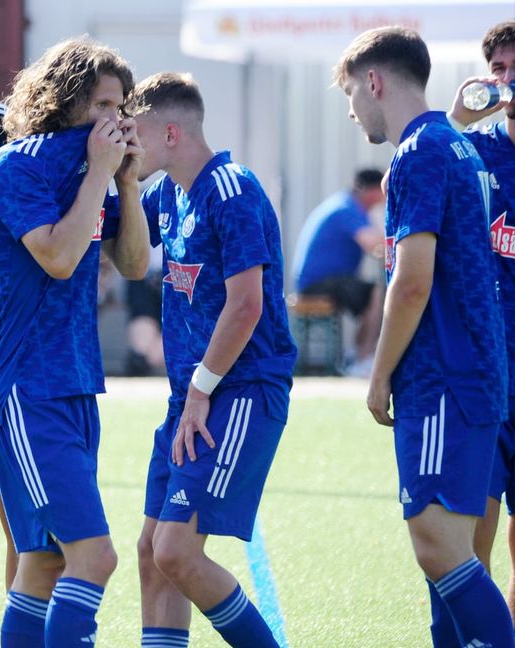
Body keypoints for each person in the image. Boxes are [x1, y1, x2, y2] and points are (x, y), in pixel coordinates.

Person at [337, 26, 514, 647]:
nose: (353, 110)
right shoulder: (460, 145)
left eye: (351, 94)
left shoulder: (419, 153)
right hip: (475, 369)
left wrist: (378, 373)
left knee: (438, 547)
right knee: (452, 551)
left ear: (375, 82)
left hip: (443, 375)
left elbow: (411, 281)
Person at [0, 37, 151, 646]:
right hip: (26, 390)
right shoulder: (17, 164)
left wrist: (125, 186)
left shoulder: (96, 171)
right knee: (94, 557)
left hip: (74, 383)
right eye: (104, 103)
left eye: (123, 105)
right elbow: (56, 256)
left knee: (46, 562)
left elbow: (133, 265)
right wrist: (100, 173)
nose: (118, 118)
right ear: (63, 100)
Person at [129, 72, 296, 648]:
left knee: (176, 548)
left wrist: (201, 389)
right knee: (153, 554)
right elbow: (121, 252)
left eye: (137, 134)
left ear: (171, 132)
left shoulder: (231, 189)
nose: (130, 144)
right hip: (191, 396)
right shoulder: (164, 192)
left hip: (240, 389)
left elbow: (246, 304)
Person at [447, 20, 515, 623]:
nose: (506, 80)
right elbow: (401, 184)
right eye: (498, 69)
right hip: (483, 369)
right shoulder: (474, 147)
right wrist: (457, 121)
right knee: (472, 534)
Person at [291, 167, 387, 374]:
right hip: (317, 284)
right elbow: (375, 245)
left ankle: (356, 355)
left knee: (373, 293)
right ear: (372, 191)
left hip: (321, 281)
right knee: (377, 293)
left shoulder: (347, 205)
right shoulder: (347, 209)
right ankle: (362, 358)